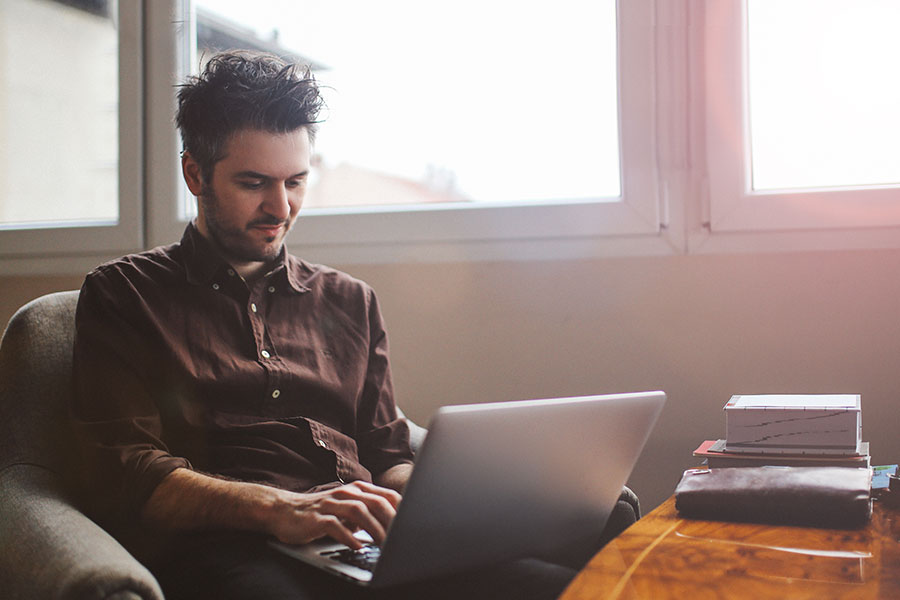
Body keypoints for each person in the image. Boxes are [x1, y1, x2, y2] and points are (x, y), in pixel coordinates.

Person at [71, 51, 577, 599]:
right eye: (253, 182)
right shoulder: (124, 294)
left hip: (361, 540)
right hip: (229, 547)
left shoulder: (350, 301)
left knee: (563, 587)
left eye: (295, 181)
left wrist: (447, 508)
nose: (280, 207)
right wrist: (283, 509)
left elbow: (387, 456)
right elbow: (129, 472)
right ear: (195, 173)